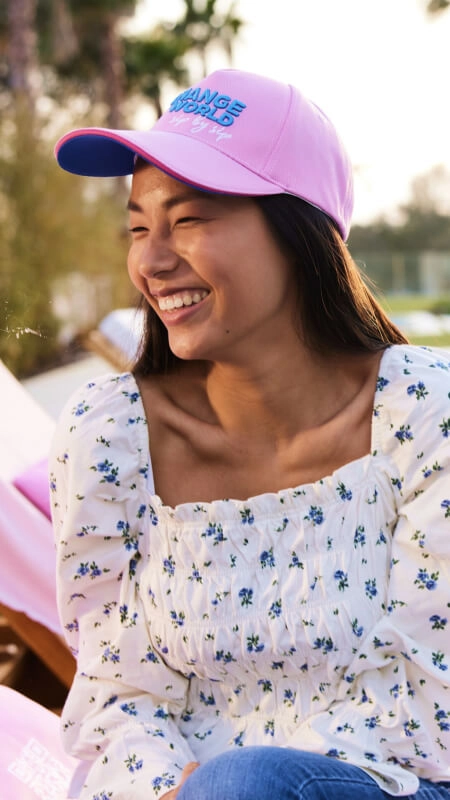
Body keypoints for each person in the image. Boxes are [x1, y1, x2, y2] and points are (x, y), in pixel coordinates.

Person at [51, 68, 450, 800]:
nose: (152, 259)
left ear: (300, 232)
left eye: (190, 219)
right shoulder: (107, 436)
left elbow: (431, 691)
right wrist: (173, 791)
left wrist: (231, 787)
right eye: (139, 226)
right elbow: (117, 693)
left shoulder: (425, 411)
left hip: (389, 782)